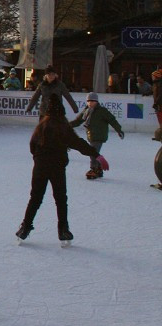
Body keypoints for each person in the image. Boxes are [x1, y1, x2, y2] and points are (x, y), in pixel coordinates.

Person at [15, 100, 106, 245]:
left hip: (41, 167)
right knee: (61, 199)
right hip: (57, 167)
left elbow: (32, 145)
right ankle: (63, 230)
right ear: (62, 113)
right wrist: (97, 155)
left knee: (35, 198)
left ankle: (25, 228)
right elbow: (78, 143)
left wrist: (38, 159)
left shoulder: (41, 126)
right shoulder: (63, 127)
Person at [70, 92, 123, 179]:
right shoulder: (86, 111)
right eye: (88, 101)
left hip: (99, 136)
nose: (90, 103)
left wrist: (119, 130)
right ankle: (99, 169)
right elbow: (78, 121)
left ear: (97, 102)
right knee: (94, 153)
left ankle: (94, 169)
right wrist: (67, 125)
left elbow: (112, 120)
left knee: (92, 153)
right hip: (91, 136)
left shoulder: (102, 111)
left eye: (92, 101)